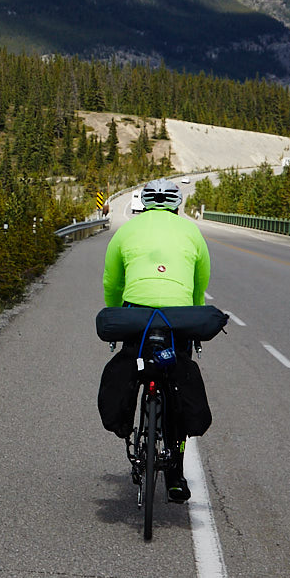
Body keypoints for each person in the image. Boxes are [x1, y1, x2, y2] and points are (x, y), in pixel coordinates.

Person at [102, 177, 210, 500]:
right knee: (177, 379)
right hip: (178, 320)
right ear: (178, 206)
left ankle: (128, 427)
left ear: (144, 204)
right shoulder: (192, 232)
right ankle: (175, 474)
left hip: (136, 318)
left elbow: (112, 282)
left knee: (132, 367)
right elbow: (198, 287)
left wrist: (116, 313)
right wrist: (193, 323)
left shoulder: (126, 232)